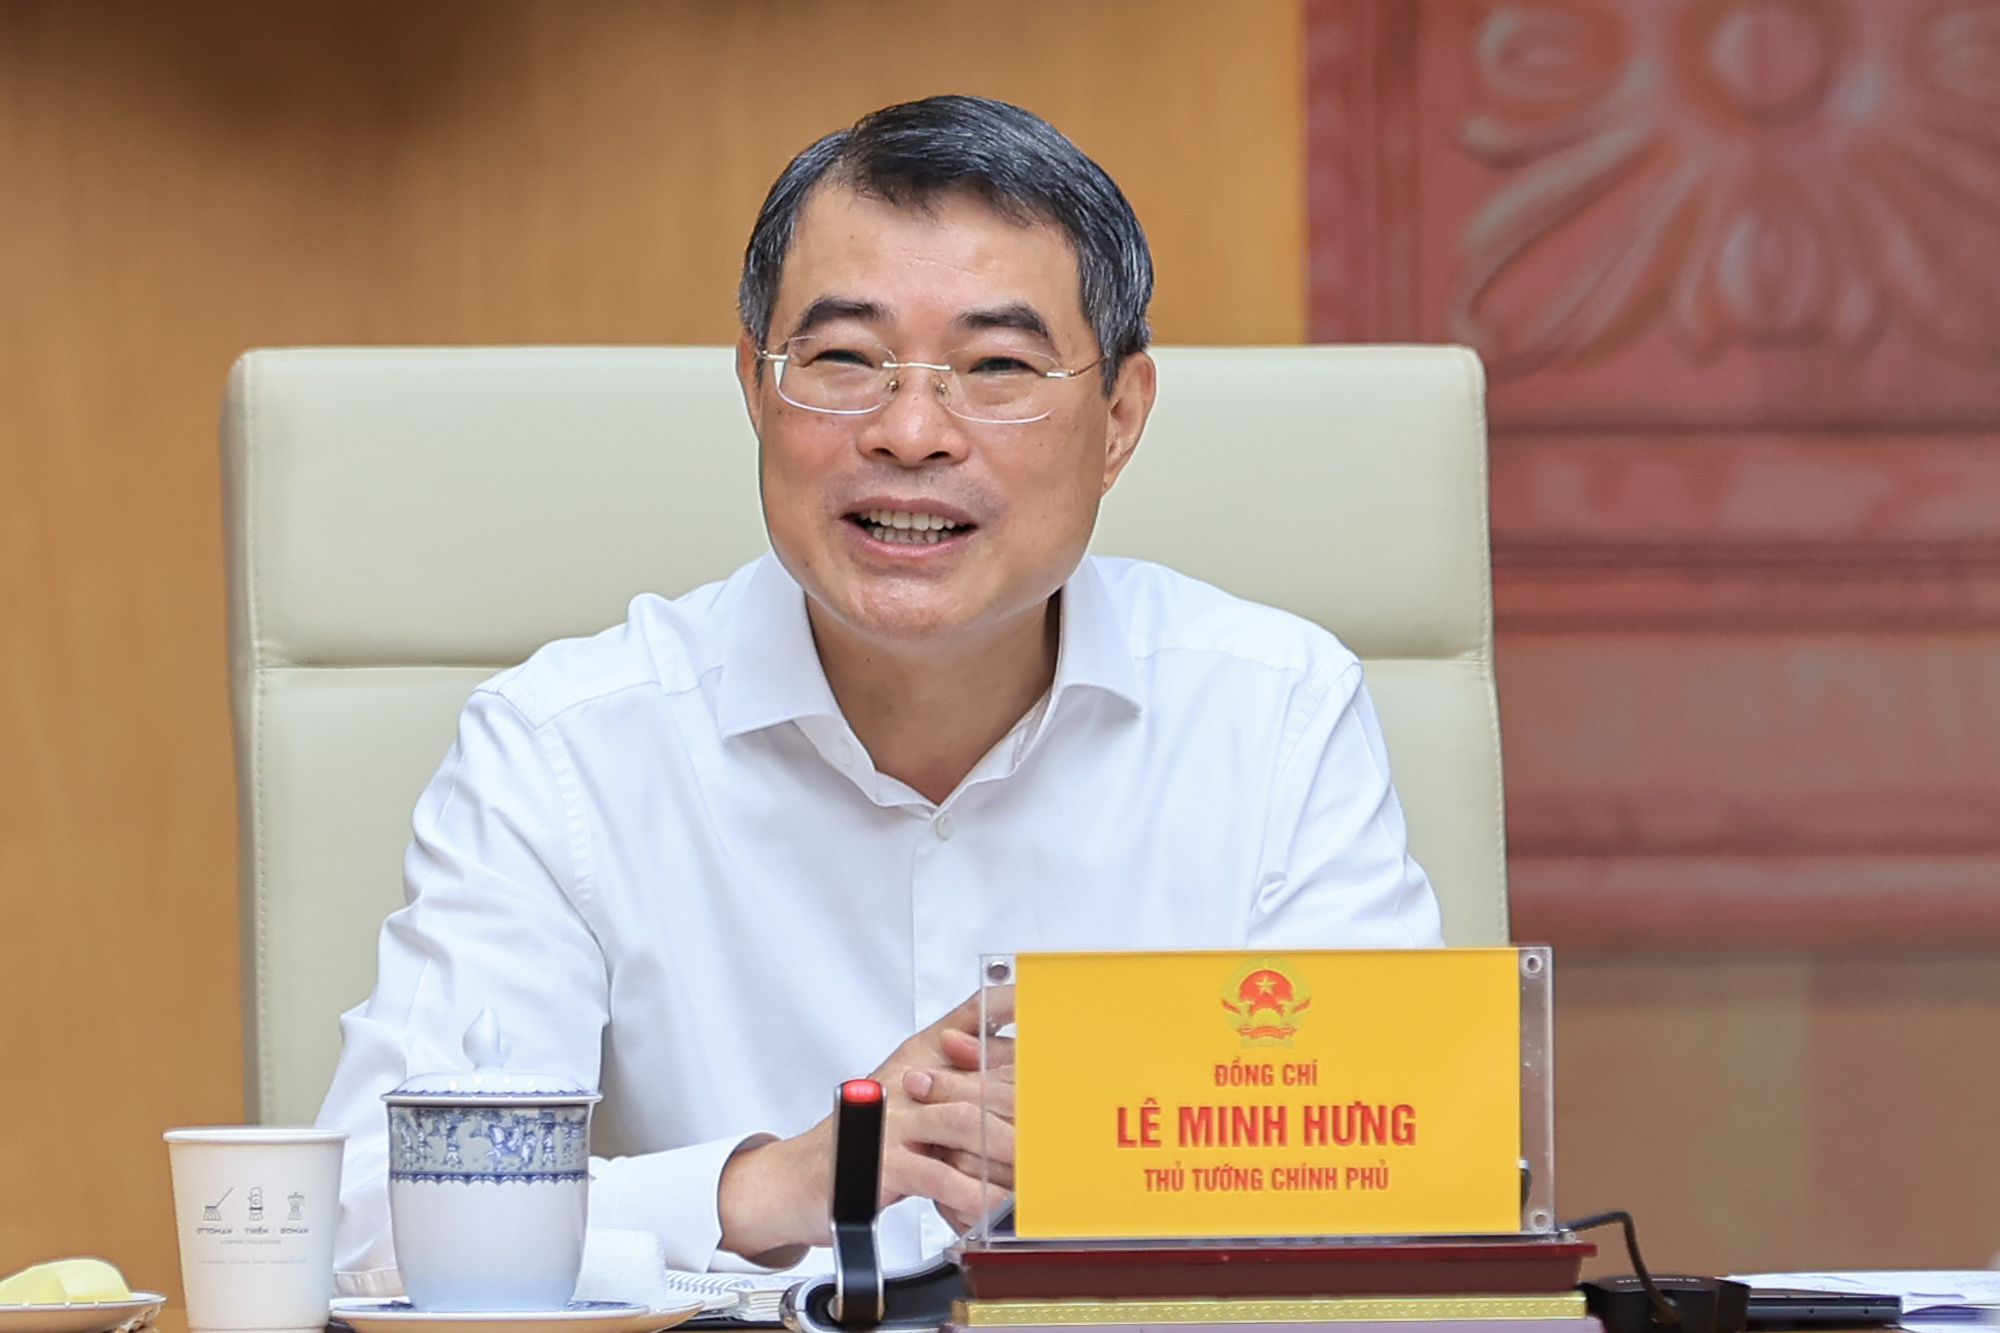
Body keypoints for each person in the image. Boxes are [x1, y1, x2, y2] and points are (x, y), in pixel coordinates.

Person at [315, 94, 1442, 1293]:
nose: (909, 432)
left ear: (1118, 419)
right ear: (755, 389)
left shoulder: (1272, 717)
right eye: (845, 360)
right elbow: (372, 1227)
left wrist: (1136, 1165)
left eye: (995, 366)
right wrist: (778, 1183)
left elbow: (1406, 1203)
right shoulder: (565, 750)